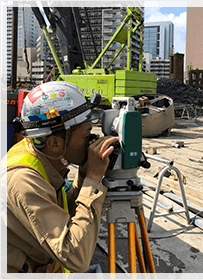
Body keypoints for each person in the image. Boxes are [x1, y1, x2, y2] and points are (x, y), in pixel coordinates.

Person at [2, 81, 119, 273]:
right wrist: (94, 179)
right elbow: (77, 259)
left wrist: (85, 172)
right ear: (55, 142)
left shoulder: (41, 157)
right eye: (87, 134)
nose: (92, 141)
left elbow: (64, 210)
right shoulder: (23, 181)